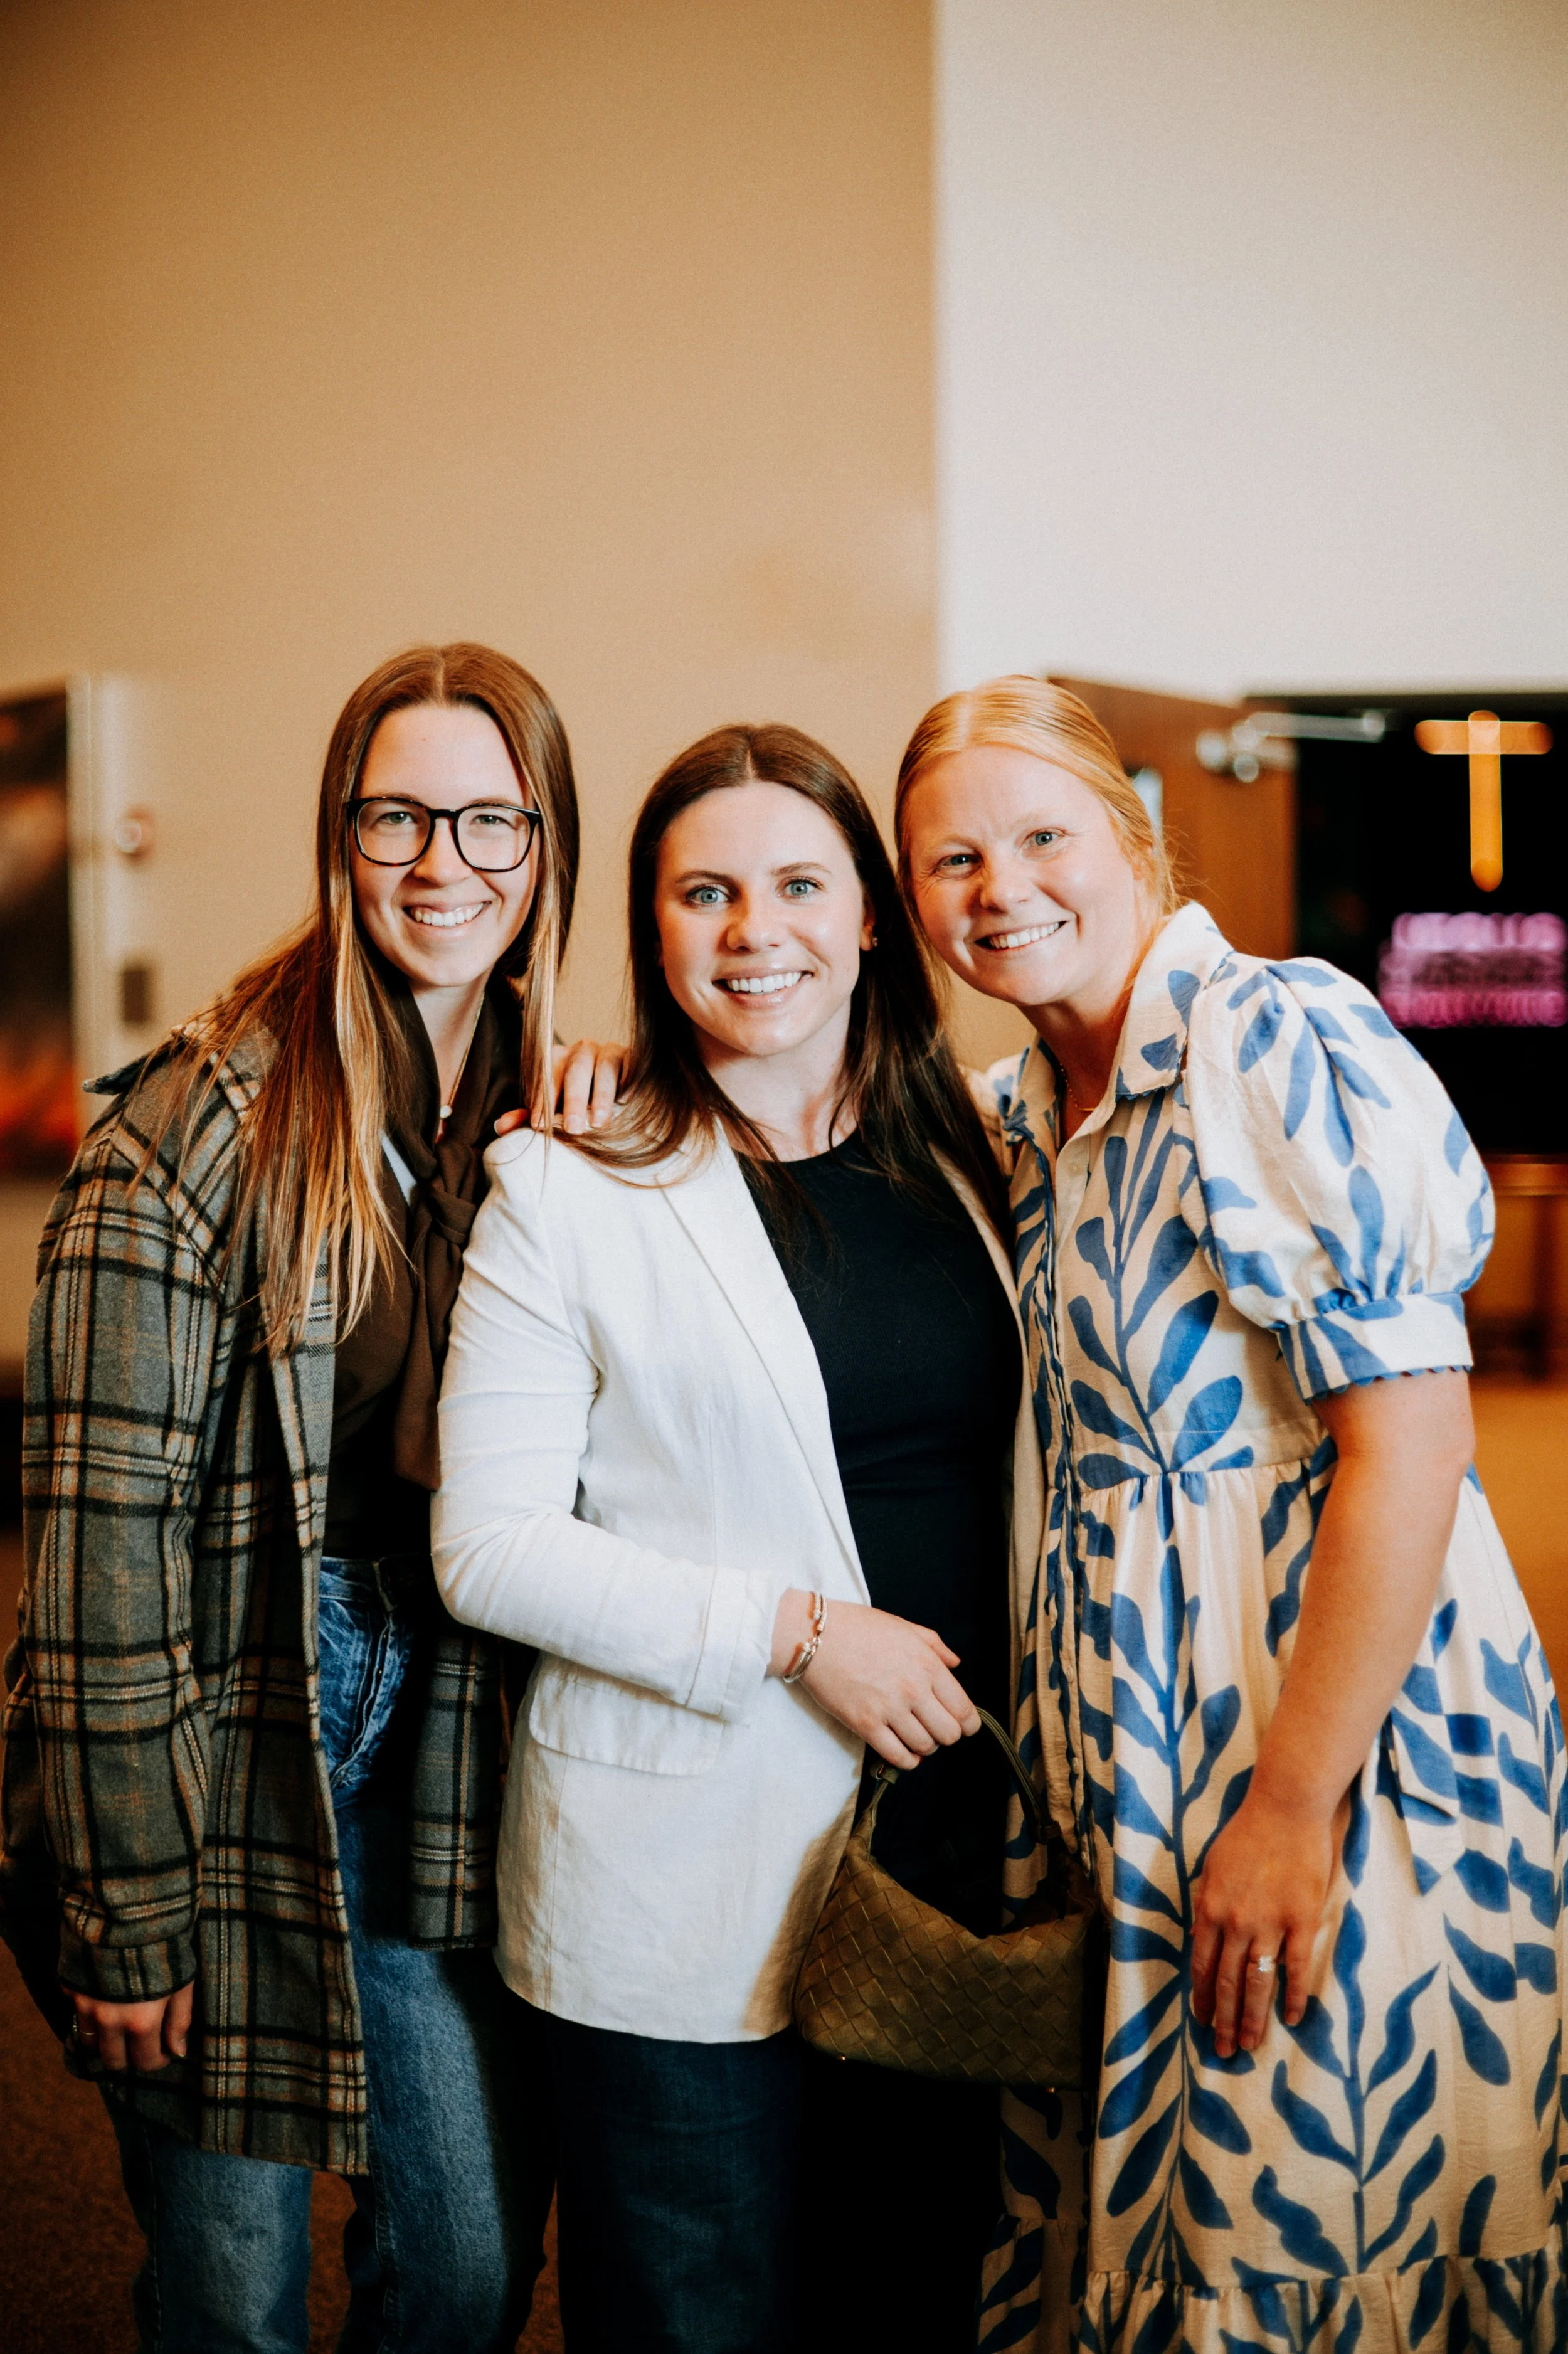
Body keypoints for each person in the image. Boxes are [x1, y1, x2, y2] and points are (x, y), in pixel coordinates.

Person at [893, 674, 1568, 2353]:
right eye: (950, 860)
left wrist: (1291, 1808)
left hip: (1332, 1743)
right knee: (1162, 2209)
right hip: (1135, 1767)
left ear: (1133, 841)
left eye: (1042, 836)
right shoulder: (1017, 1112)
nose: (1002, 888)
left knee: (1306, 2202)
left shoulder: (1266, 1038)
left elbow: (1408, 1446)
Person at [0, 643, 613, 2354]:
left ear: (547, 844)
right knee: (234, 2295)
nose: (445, 865)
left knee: (473, 2264)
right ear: (337, 837)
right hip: (224, 1727)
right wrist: (127, 1916)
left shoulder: (538, 1112)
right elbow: (95, 1561)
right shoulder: (191, 1129)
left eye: (493, 822)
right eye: (399, 817)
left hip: (439, 1731)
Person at [432, 722, 1043, 2353]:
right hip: (678, 1883)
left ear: (868, 918)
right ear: (653, 930)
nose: (751, 930)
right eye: (702, 892)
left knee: (907, 2303)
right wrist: (794, 1629)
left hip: (939, 1862)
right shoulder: (566, 1185)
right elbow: (484, 1548)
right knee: (692, 2321)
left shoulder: (985, 1155)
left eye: (795, 884)